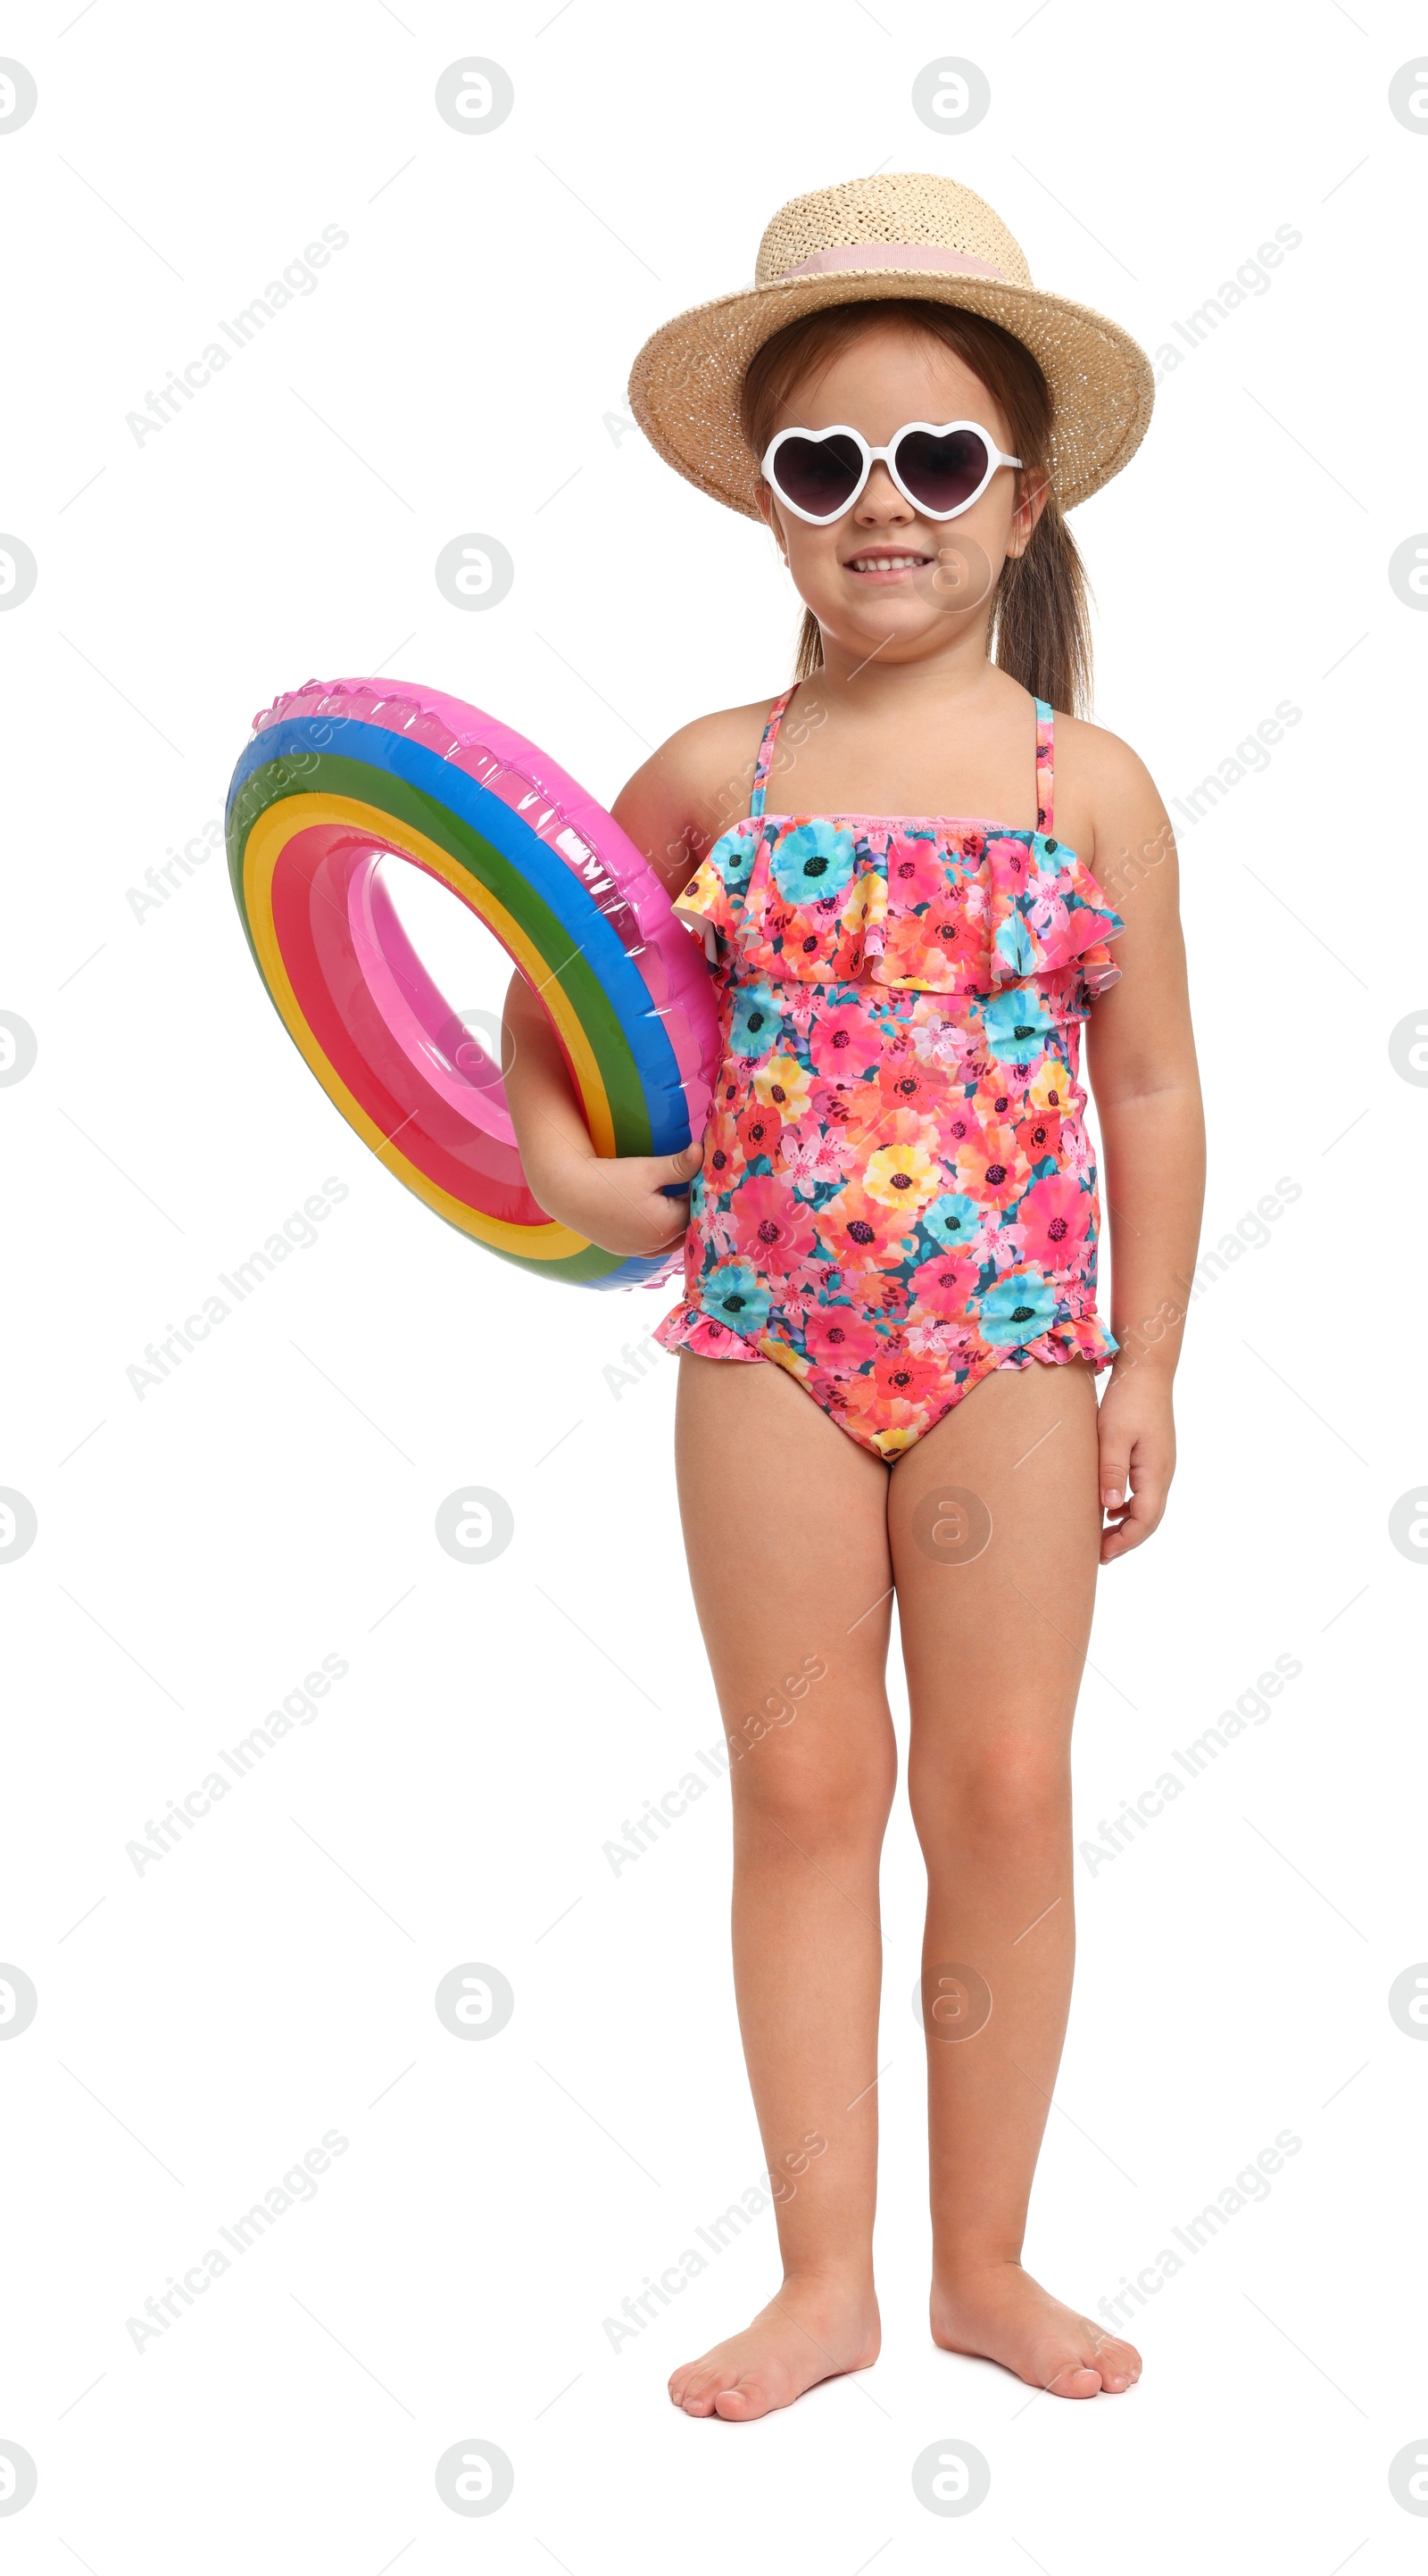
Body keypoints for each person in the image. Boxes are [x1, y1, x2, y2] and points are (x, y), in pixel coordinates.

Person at [502, 173, 1204, 2419]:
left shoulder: (1078, 786)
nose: (876, 505)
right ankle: (824, 2276)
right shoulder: (725, 773)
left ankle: (983, 2261)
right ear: (770, 512)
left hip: (1009, 1343)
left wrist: (1147, 1362)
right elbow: (549, 985)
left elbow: (1157, 1084)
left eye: (930, 462)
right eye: (823, 466)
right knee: (804, 1788)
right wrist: (562, 1172)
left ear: (1019, 500)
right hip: (770, 1352)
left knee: (998, 1785)